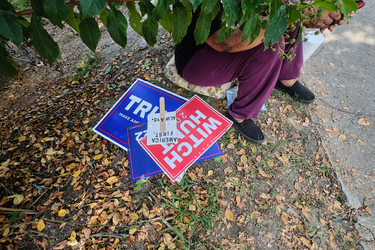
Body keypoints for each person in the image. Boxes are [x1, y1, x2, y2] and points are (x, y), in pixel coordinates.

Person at [174, 4, 348, 144]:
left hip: (234, 32)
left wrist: (317, 9)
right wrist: (293, 16)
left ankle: (286, 77)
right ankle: (239, 115)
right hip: (196, 59)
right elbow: (224, 42)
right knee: (274, 38)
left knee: (290, 8)